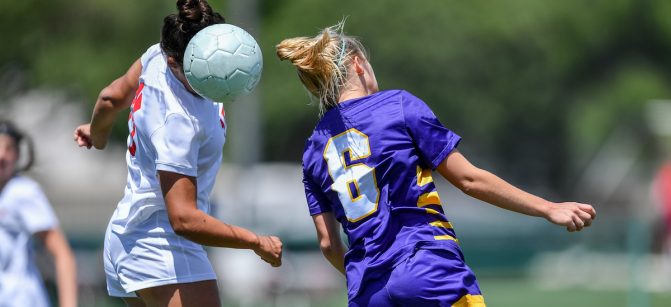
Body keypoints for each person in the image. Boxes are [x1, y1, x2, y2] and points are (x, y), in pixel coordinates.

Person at [276, 23, 597, 306]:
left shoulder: (312, 149)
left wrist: (368, 276)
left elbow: (330, 245)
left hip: (367, 291)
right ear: (358, 64)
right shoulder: (397, 106)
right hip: (427, 270)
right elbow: (469, 180)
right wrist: (548, 208)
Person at [73, 1, 282, 306]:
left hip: (127, 237)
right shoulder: (179, 122)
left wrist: (97, 132)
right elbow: (183, 218)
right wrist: (255, 242)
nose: (218, 71)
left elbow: (111, 97)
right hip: (161, 248)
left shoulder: (156, 55)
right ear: (174, 62)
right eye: (206, 68)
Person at [0, 120, 78, 307]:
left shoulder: (23, 192)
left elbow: (62, 254)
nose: (2, 155)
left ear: (18, 155)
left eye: (9, 148)